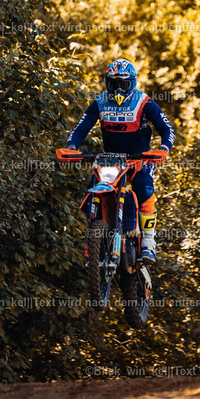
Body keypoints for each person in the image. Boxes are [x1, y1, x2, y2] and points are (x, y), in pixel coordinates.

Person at [66, 58, 175, 263]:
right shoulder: (100, 102)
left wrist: (163, 148)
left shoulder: (144, 102)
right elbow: (81, 127)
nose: (117, 89)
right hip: (110, 161)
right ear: (106, 83)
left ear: (132, 84)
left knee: (144, 190)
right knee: (92, 191)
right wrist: (72, 146)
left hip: (139, 160)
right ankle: (94, 240)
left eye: (123, 85)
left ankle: (148, 242)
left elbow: (167, 129)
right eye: (113, 84)